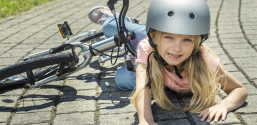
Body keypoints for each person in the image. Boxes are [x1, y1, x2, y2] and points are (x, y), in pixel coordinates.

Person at [88, 0, 248, 124]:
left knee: (122, 79)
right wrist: (146, 120)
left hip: (159, 58)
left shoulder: (206, 61)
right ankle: (114, 20)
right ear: (156, 37)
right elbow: (143, 88)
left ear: (197, 42)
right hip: (148, 42)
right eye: (169, 37)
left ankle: (138, 58)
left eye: (186, 39)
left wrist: (224, 105)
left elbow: (239, 90)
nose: (177, 48)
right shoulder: (148, 45)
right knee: (114, 28)